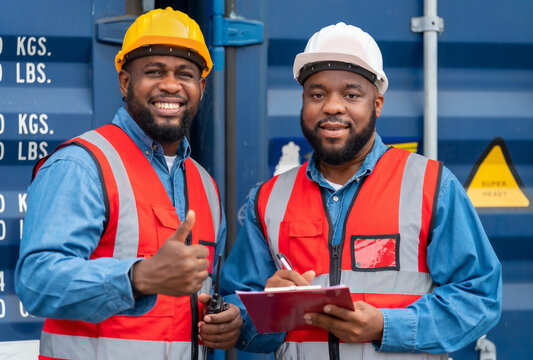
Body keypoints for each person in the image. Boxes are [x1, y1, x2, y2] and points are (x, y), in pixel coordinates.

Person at [220, 22, 502, 359]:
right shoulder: (268, 199)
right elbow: (238, 316)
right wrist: (268, 309)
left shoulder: (430, 186)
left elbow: (479, 298)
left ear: (377, 103)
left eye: (351, 94)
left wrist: (386, 326)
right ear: (303, 102)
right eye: (317, 94)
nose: (332, 107)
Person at [15, 7, 242, 360]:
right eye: (154, 71)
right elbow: (36, 282)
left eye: (185, 73)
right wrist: (139, 277)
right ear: (125, 82)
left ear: (201, 87)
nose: (170, 84)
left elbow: (208, 295)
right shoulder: (83, 164)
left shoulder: (206, 186)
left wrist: (229, 318)